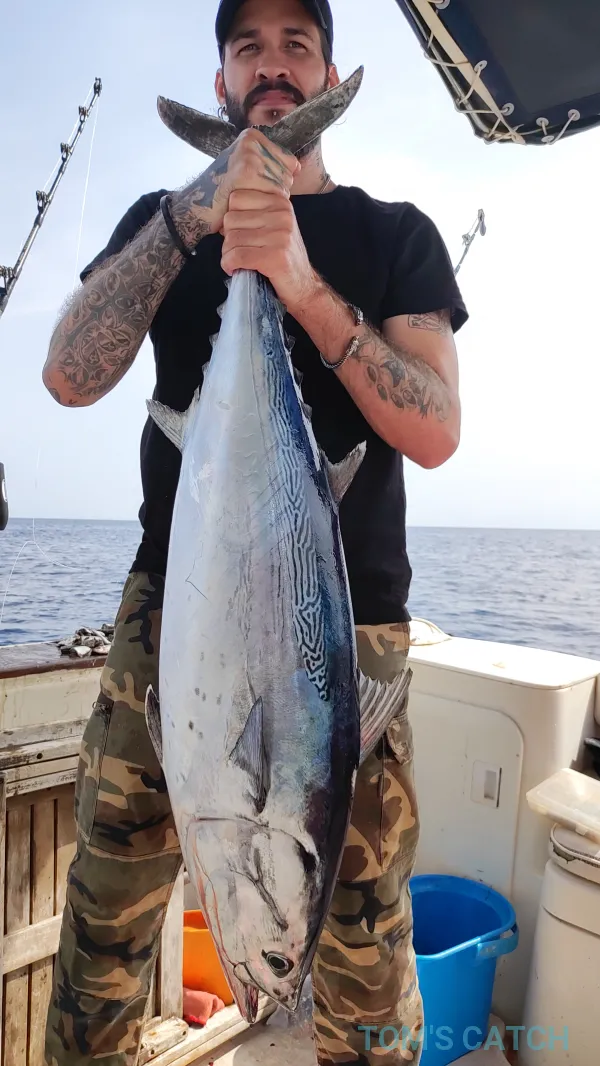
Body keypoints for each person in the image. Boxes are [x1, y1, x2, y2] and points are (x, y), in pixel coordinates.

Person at [43, 0, 468, 1062]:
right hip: (173, 621)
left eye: (296, 46)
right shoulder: (162, 220)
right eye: (248, 48)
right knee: (107, 912)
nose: (273, 67)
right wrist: (191, 215)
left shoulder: (396, 234)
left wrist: (298, 283)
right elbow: (67, 375)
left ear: (325, 68)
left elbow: (436, 430)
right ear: (222, 80)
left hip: (348, 634)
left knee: (366, 941)